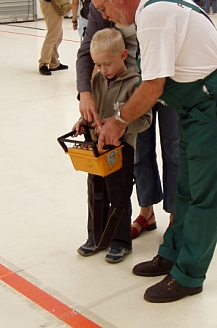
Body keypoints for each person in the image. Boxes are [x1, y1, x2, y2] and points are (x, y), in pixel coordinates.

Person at [89, 0, 217, 303]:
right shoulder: (153, 6)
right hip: (196, 106)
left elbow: (152, 87)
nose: (104, 16)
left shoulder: (155, 18)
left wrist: (119, 121)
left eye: (102, 8)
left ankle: (190, 275)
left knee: (205, 196)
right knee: (186, 188)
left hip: (214, 107)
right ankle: (172, 253)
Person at [76, 0, 179, 242]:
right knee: (139, 151)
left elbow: (177, 20)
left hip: (166, 79)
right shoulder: (98, 3)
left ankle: (176, 215)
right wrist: (85, 93)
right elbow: (86, 50)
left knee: (174, 148)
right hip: (131, 88)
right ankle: (146, 212)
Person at [73, 28, 152, 263]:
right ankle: (96, 237)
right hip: (96, 151)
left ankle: (120, 242)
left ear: (123, 55)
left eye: (106, 64)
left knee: (118, 196)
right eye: (97, 64)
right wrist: (82, 122)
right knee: (95, 193)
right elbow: (92, 111)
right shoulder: (97, 80)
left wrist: (123, 126)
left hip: (121, 151)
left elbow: (145, 120)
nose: (101, 69)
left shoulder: (135, 84)